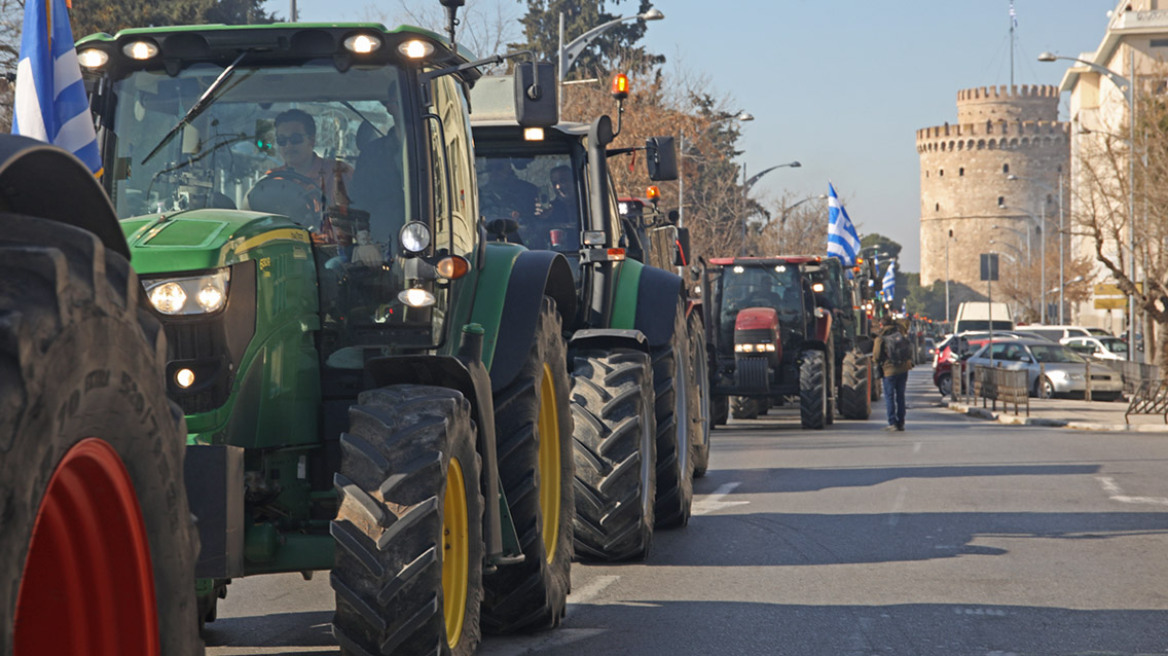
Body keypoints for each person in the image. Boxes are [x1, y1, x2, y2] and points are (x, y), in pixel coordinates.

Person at [246, 109, 354, 237]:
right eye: (282, 140)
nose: (288, 146)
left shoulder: (339, 173)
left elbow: (359, 218)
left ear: (311, 140)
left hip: (331, 251)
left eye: (295, 139)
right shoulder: (271, 180)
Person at [873, 315, 912, 431]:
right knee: (901, 396)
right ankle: (901, 422)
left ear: (881, 324)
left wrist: (877, 363)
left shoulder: (881, 338)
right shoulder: (900, 333)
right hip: (903, 369)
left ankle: (892, 423)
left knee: (889, 397)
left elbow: (876, 356)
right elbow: (906, 323)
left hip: (889, 371)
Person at [529, 164, 580, 250]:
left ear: (574, 181)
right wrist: (542, 219)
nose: (558, 187)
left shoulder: (587, 205)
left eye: (563, 181)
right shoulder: (550, 210)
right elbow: (536, 237)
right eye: (555, 183)